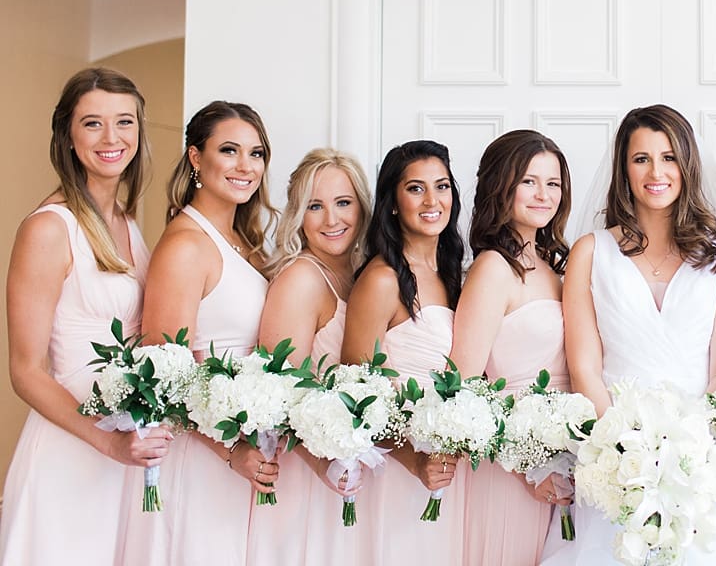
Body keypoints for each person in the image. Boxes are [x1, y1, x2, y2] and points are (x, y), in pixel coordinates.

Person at [544, 104, 716, 565]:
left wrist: (688, 452)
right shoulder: (590, 252)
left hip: (702, 462)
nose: (656, 172)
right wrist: (623, 448)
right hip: (615, 460)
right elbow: (584, 366)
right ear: (624, 168)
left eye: (668, 158)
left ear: (686, 165)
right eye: (641, 159)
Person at [1, 68, 170, 565]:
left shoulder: (127, 220)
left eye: (125, 122)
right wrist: (106, 443)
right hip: (72, 450)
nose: (112, 138)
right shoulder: (49, 229)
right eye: (93, 123)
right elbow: (25, 371)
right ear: (68, 137)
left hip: (127, 449)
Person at [127, 101, 277, 565]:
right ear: (196, 157)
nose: (245, 166)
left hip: (244, 450)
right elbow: (166, 375)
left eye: (256, 154)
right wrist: (229, 451)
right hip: (203, 457)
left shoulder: (244, 241)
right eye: (229, 150)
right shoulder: (186, 245)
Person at [450, 130, 574, 566]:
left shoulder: (556, 266)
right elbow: (463, 389)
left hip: (565, 460)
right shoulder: (492, 268)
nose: (544, 194)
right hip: (514, 470)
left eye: (553, 183)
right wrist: (530, 467)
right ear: (501, 186)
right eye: (529, 181)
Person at [341, 140, 466, 566]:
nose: (433, 201)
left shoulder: (452, 272)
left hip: (449, 470)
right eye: (416, 189)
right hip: (399, 472)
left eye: (442, 186)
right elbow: (355, 395)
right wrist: (414, 461)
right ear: (393, 202)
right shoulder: (382, 280)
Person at [248, 148, 373, 564]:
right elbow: (278, 394)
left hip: (347, 469)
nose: (332, 220)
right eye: (315, 206)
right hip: (309, 472)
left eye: (343, 203)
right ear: (298, 215)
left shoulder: (359, 274)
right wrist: (324, 466)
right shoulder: (301, 278)